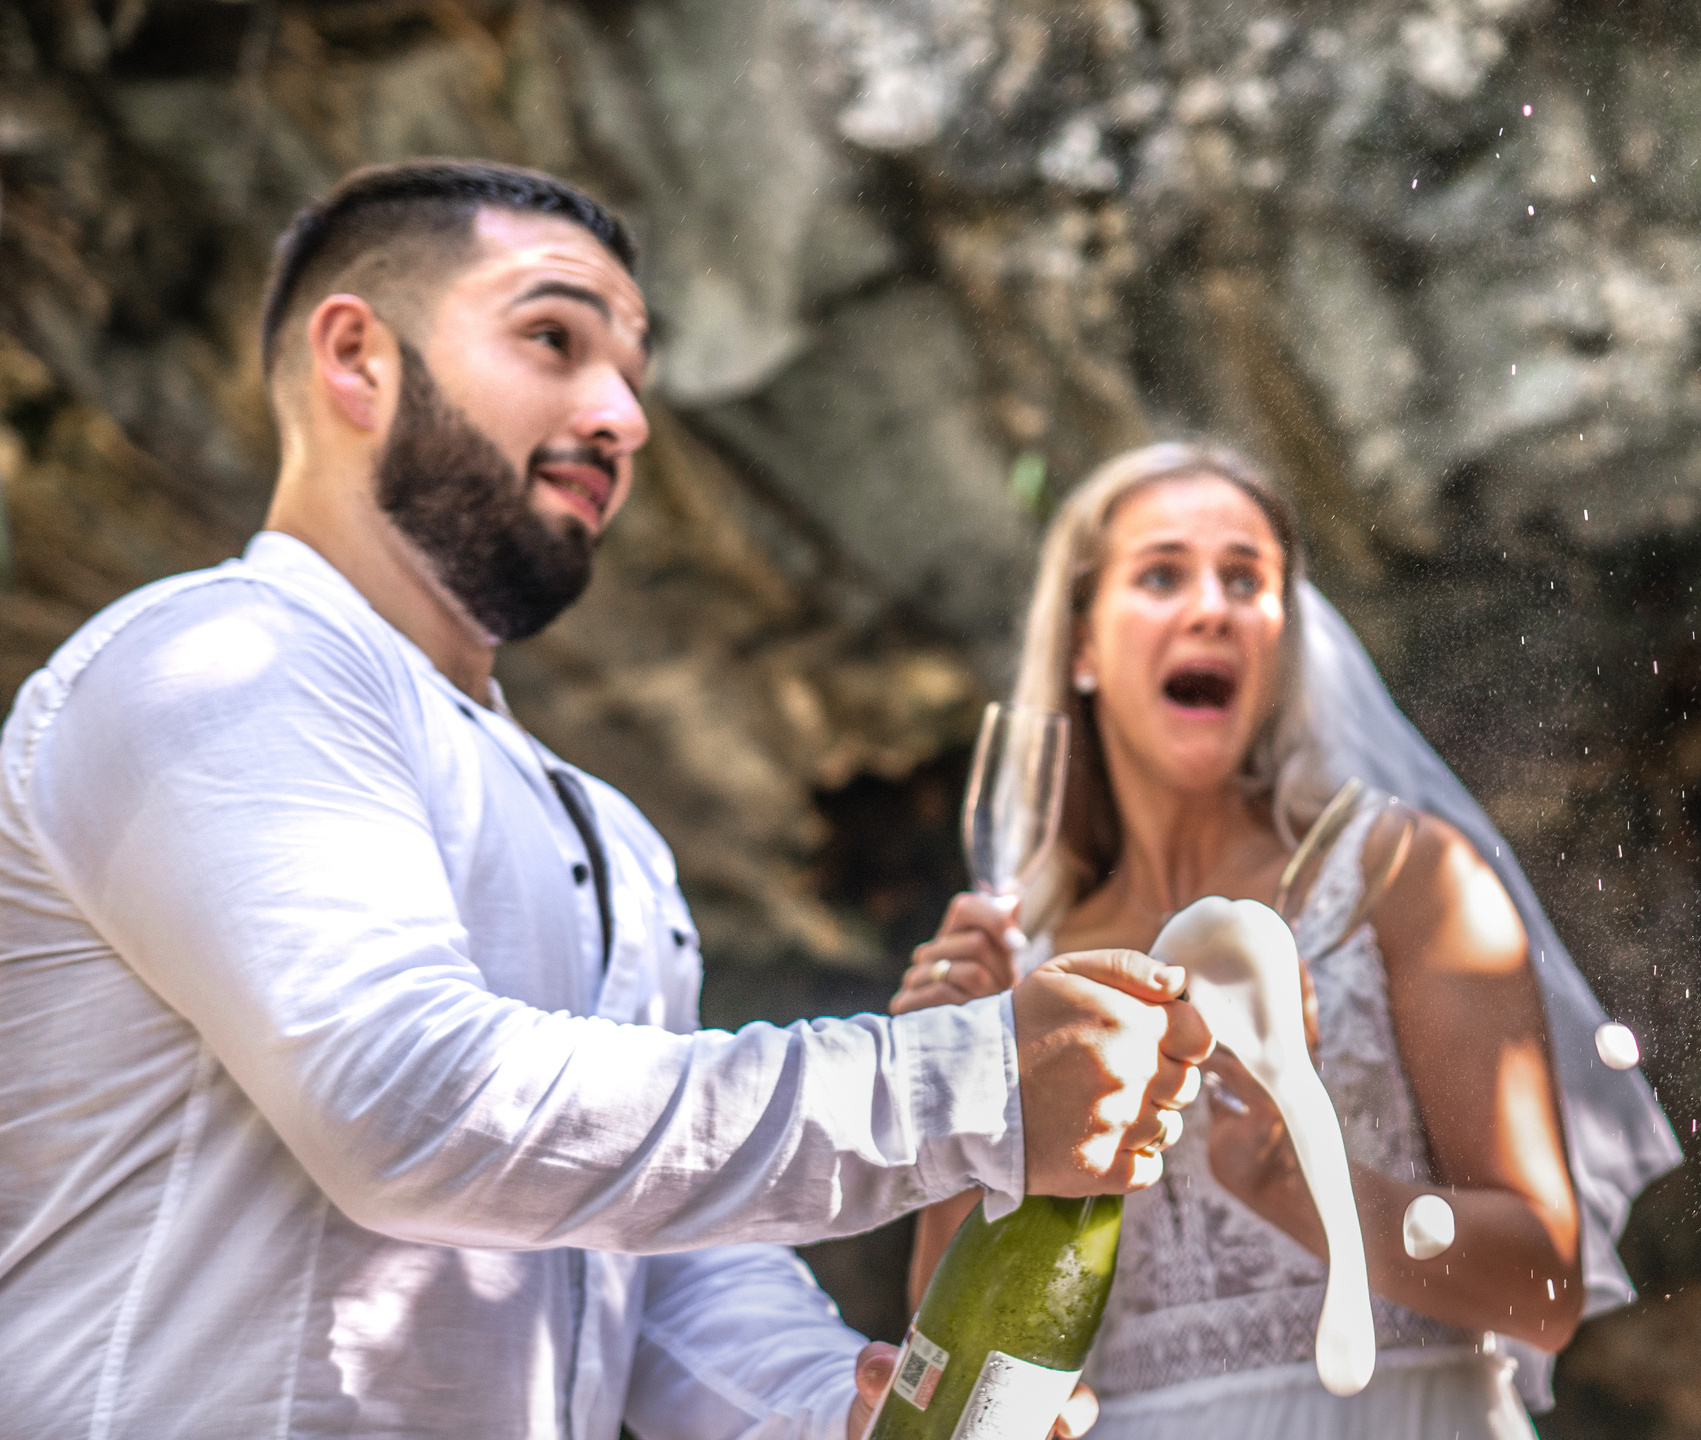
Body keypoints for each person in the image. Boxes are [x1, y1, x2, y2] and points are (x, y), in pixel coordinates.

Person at [0, 161, 1213, 1440]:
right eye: (553, 337)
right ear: (359, 357)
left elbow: (642, 1262)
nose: (624, 416)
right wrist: (965, 1086)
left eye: (634, 373)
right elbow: (411, 1106)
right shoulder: (222, 665)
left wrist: (831, 1412)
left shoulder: (613, 837)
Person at [893, 443, 1681, 1438]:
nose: (1212, 606)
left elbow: (1542, 1288)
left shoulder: (1404, 879)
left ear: (1284, 635)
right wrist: (951, 1091)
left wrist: (1293, 1179)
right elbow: (961, 1363)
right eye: (1162, 573)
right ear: (1083, 647)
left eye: (1246, 578)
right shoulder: (1025, 960)